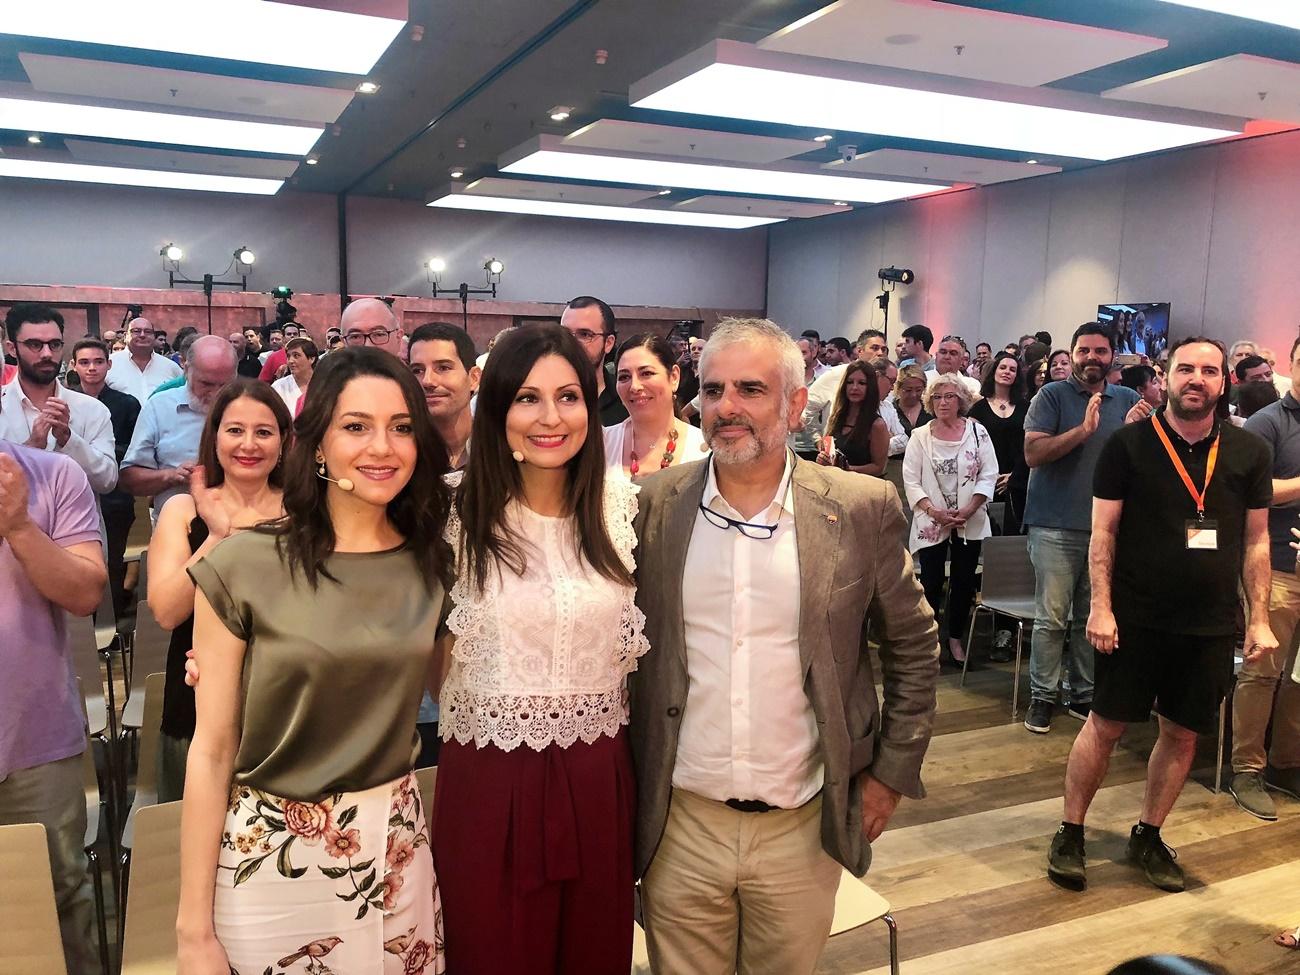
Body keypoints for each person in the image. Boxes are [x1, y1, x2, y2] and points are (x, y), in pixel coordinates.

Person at [630, 317, 939, 975]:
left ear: (796, 404)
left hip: (804, 822)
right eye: (714, 390)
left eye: (750, 388)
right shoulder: (651, 506)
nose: (727, 407)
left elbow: (913, 643)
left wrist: (890, 774)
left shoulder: (860, 508)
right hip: (680, 823)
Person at [177, 348, 453, 975]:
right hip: (270, 850)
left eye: (402, 427)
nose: (383, 447)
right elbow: (213, 749)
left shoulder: (433, 565)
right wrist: (193, 931)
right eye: (356, 426)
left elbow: (463, 692)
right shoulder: (242, 565)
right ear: (318, 442)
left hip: (397, 850)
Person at [434, 325, 647, 973]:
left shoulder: (626, 508)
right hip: (489, 775)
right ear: (495, 409)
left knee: (593, 953)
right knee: (494, 951)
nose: (551, 417)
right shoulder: (452, 514)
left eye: (569, 396)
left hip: (599, 773)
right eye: (528, 398)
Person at [1048, 337, 1273, 894]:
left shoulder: (1248, 453)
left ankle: (1148, 833)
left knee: (1182, 734)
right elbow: (1103, 532)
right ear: (1166, 376)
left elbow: (1257, 543)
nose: (1196, 379)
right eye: (1185, 369)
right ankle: (1070, 830)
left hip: (1210, 624)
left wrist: (1259, 617)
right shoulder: (1128, 445)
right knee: (1105, 726)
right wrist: (1099, 607)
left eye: (1209, 371)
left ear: (1224, 382)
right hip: (1134, 618)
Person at [0, 396, 108, 975]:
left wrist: (18, 525)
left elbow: (85, 594)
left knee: (59, 896)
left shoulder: (53, 473)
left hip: (34, 738)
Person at [147, 380, 289, 803]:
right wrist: (216, 535)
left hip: (283, 710)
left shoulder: (304, 512)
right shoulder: (182, 510)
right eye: (235, 430)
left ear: (284, 440)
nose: (249, 444)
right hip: (194, 703)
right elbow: (168, 612)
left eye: (264, 432)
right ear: (215, 436)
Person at [1021, 323, 1148, 735]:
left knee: (1089, 618)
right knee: (1052, 619)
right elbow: (1033, 454)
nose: (1092, 357)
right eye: (1085, 350)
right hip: (1054, 526)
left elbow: (1141, 466)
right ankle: (1042, 696)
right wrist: (1083, 432)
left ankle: (1083, 694)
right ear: (1072, 354)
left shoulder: (1128, 400)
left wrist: (1136, 434)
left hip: (1106, 531)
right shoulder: (1051, 396)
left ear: (1112, 355)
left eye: (1101, 350)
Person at [1231, 336, 1300, 820]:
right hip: (1274, 566)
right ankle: (1246, 769)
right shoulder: (1268, 421)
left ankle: (1286, 763)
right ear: (1292, 365)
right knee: (1263, 671)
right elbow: (1248, 491)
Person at [903, 373, 999, 663]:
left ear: (961, 401)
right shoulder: (920, 435)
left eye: (949, 396)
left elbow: (988, 472)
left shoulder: (977, 431)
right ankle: (929, 640)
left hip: (970, 519)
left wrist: (969, 509)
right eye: (937, 397)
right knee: (930, 582)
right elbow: (911, 479)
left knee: (963, 582)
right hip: (932, 520)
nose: (943, 402)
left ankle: (955, 638)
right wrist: (935, 512)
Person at [0, 304, 117, 494]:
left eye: (54, 344)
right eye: (35, 344)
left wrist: (68, 439)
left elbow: (107, 481)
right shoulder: (2, 405)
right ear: (12, 348)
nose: (47, 354)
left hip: (79, 522)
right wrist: (30, 448)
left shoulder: (92, 409)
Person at [119, 336, 238, 514]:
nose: (215, 394)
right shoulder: (160, 406)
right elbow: (129, 480)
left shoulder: (248, 406)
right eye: (206, 384)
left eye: (225, 385)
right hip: (176, 531)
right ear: (186, 369)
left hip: (238, 528)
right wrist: (172, 475)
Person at [68, 338, 141, 618]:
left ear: (109, 365)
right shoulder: (63, 402)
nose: (92, 368)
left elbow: (134, 450)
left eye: (98, 362)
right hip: (72, 495)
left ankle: (110, 620)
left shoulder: (126, 404)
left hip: (115, 496)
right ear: (74, 366)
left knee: (110, 562)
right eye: (84, 362)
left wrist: (100, 451)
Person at [605, 333, 707, 480]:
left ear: (674, 377)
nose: (634, 386)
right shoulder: (604, 444)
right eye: (624, 377)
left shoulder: (703, 449)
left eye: (646, 373)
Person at [968, 350, 1029, 534]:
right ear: (994, 372)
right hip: (987, 480)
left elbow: (1030, 444)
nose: (1007, 372)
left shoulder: (1026, 407)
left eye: (1012, 369)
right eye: (1002, 367)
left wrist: (1014, 475)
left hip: (1018, 478)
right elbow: (973, 448)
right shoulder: (978, 409)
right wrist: (990, 475)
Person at [406, 321, 480, 472]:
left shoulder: (500, 450)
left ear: (473, 378)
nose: (427, 381)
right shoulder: (401, 452)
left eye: (443, 368)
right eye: (417, 370)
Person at [560, 295, 627, 425]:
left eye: (584, 335)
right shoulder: (541, 396)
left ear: (608, 343)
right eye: (565, 334)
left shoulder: (626, 400)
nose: (572, 343)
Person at [816, 360, 888, 476]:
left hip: (862, 488)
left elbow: (878, 467)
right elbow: (828, 450)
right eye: (850, 382)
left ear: (870, 387)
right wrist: (823, 458)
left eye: (861, 383)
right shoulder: (836, 416)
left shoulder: (877, 425)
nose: (854, 387)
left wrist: (846, 469)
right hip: (833, 483)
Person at [106, 317, 182, 403]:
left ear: (153, 336)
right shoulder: (109, 364)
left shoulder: (171, 367)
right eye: (136, 331)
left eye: (148, 332)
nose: (142, 335)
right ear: (125, 336)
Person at [271, 336, 318, 416]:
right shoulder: (278, 387)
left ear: (311, 359)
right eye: (288, 356)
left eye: (296, 356)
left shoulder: (325, 384)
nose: (290, 361)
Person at [892, 363, 933, 438]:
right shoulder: (890, 410)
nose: (913, 394)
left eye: (918, 390)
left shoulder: (931, 410)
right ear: (898, 388)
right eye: (908, 390)